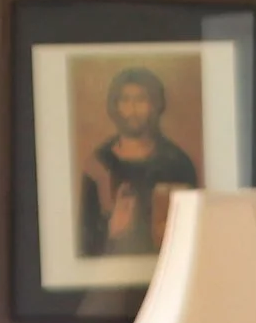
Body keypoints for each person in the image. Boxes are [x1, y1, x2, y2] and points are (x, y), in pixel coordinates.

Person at [79, 65, 198, 258]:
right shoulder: (98, 165)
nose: (132, 109)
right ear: (115, 105)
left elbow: (194, 236)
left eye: (141, 100)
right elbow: (85, 244)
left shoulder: (177, 163)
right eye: (125, 100)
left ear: (155, 105)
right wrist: (112, 229)